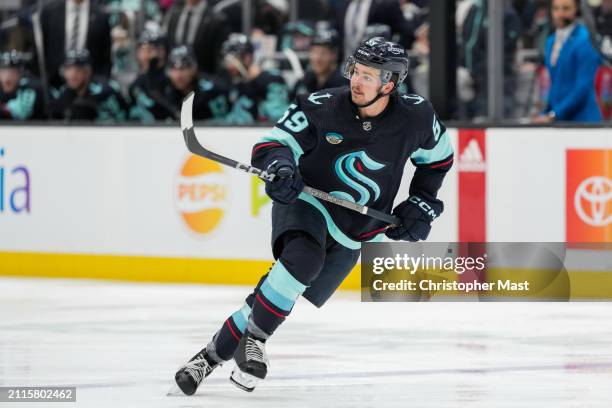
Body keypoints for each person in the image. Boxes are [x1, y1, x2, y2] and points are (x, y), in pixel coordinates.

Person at [173, 37, 454, 395]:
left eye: (369, 76)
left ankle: (208, 357)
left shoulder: (416, 116)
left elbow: (439, 159)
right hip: (306, 199)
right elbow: (272, 145)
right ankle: (255, 340)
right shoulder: (323, 105)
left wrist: (423, 201)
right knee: (303, 258)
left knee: (279, 289)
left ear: (390, 83)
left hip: (357, 228)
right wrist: (280, 167)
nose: (357, 80)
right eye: (357, 70)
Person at [533, 0, 602, 123]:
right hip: (560, 120)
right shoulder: (550, 41)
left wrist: (554, 115)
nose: (560, 14)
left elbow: (583, 89)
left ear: (576, 9)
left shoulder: (585, 41)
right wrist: (546, 113)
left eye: (566, 8)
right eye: (556, 8)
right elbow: (556, 85)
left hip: (583, 121)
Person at [220, 34, 290, 124]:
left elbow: (278, 115)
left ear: (247, 57)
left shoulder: (271, 80)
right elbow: (233, 118)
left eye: (232, 61)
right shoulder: (238, 84)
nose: (228, 66)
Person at [40, 0, 112, 87]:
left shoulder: (101, 15)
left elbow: (105, 56)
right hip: (53, 82)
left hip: (90, 85)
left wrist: (101, 82)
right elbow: (41, 50)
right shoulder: (49, 12)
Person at [49, 49, 127, 122]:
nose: (72, 75)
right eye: (68, 69)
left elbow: (122, 120)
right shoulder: (63, 93)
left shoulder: (105, 92)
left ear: (88, 72)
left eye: (78, 69)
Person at [163, 0, 230, 75]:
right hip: (175, 76)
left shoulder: (217, 19)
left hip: (203, 77)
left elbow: (219, 58)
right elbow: (168, 46)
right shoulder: (173, 15)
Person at [292, 27, 348, 98]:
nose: (317, 58)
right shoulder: (305, 81)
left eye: (323, 53)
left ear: (335, 55)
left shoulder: (344, 87)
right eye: (314, 52)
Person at [0, 50, 45, 120]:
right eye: (3, 71)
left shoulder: (29, 89)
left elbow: (21, 113)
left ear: (20, 74)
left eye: (12, 72)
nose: (7, 76)